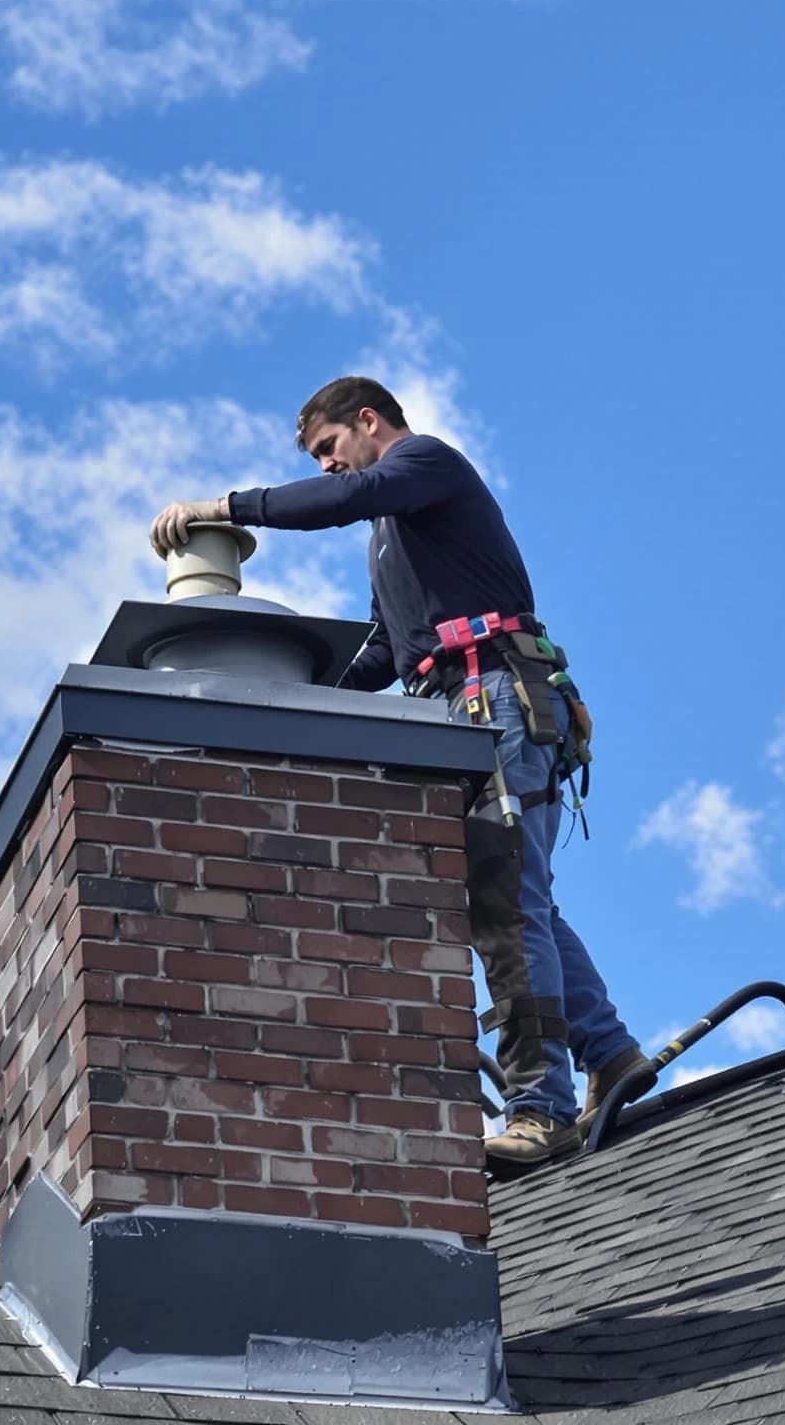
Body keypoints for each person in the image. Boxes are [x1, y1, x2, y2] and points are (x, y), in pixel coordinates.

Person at [149, 375, 652, 1164]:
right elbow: (387, 649)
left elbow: (347, 498)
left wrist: (225, 508)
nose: (329, 468)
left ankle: (539, 1106)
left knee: (505, 907)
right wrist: (308, 710)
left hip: (495, 697)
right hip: (469, 701)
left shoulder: (422, 465)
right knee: (520, 899)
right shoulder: (393, 531)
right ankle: (612, 1054)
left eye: (329, 449)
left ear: (368, 422)